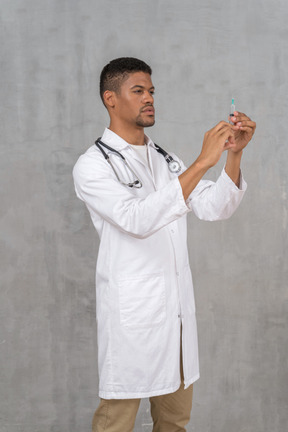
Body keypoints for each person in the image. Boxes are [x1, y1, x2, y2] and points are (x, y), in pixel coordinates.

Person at [73, 57, 256, 432]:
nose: (149, 98)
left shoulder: (164, 159)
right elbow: (137, 220)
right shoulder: (93, 165)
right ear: (111, 98)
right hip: (133, 321)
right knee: (116, 424)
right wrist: (203, 162)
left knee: (174, 422)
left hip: (175, 320)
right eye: (138, 91)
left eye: (151, 91)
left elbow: (214, 206)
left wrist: (232, 154)